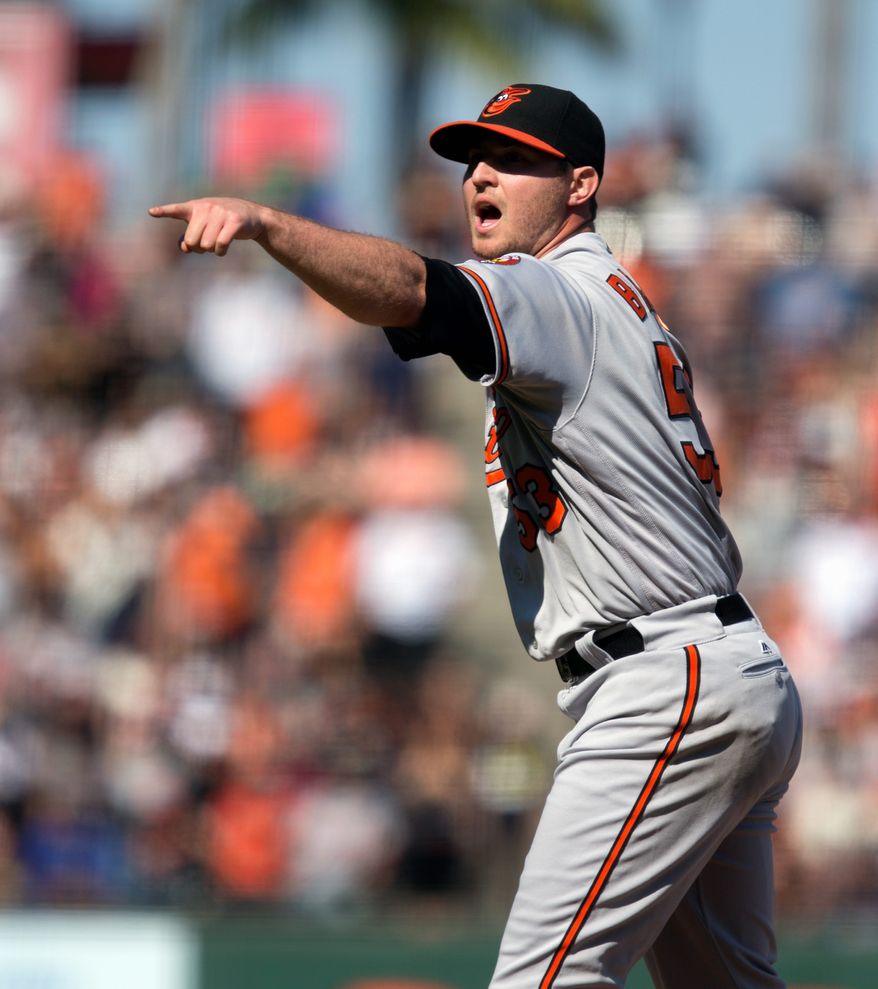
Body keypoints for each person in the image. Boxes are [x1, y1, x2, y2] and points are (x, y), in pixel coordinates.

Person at [151, 84, 803, 989]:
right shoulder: (617, 301)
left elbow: (415, 292)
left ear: (580, 187)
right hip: (725, 670)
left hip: (665, 683)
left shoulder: (556, 290)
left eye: (515, 159)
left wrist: (270, 225)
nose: (481, 176)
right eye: (472, 160)